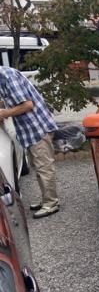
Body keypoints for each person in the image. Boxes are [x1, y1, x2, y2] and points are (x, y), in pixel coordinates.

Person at [0, 67, 59, 218]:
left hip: (37, 127)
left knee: (44, 167)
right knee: (38, 166)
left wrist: (6, 113)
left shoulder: (7, 76)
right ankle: (46, 199)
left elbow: (27, 105)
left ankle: (51, 204)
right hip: (30, 130)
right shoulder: (3, 76)